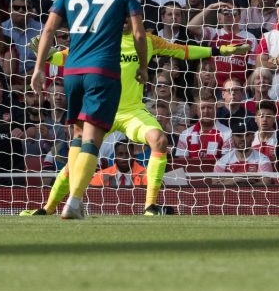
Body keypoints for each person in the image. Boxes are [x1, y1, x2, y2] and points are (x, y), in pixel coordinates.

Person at [22, 27, 250, 216]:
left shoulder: (146, 40)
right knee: (77, 163)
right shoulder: (101, 37)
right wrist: (50, 56)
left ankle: (150, 205)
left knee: (159, 140)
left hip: (132, 111)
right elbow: (71, 55)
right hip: (102, 109)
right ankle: (48, 208)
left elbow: (182, 51)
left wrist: (219, 49)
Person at [29, 0, 147, 220]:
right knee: (92, 138)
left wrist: (38, 68)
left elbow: (47, 31)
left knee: (77, 136)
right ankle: (74, 200)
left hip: (72, 72)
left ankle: (72, 199)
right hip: (102, 70)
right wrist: (143, 66)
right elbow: (139, 34)